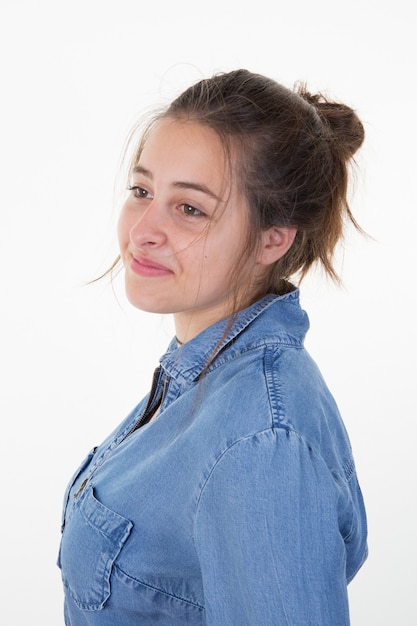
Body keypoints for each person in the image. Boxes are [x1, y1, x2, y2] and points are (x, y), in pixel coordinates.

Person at [57, 69, 368, 625]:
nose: (144, 230)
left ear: (274, 238)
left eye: (191, 208)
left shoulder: (260, 442)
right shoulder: (201, 377)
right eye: (142, 191)